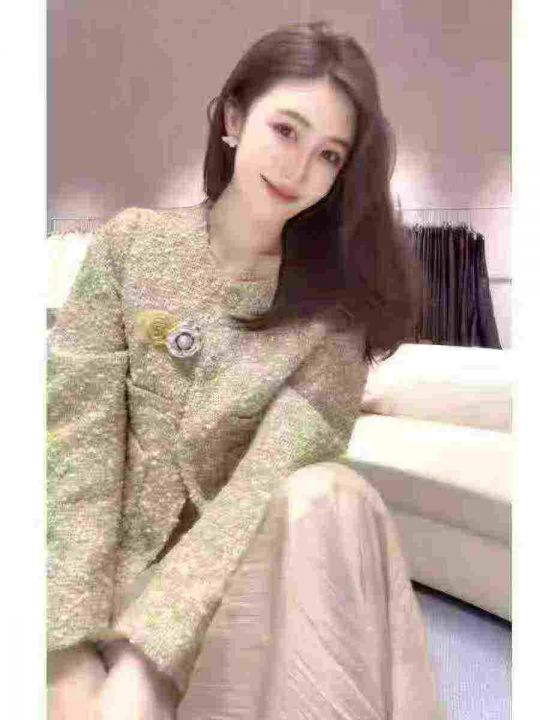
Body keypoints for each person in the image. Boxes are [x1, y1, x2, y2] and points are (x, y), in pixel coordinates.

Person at [47, 20, 443, 719]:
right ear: (234, 119)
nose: (298, 169)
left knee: (332, 494)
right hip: (88, 583)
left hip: (222, 605)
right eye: (286, 131)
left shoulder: (333, 319)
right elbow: (78, 447)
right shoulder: (129, 246)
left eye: (328, 155)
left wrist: (145, 660)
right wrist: (65, 648)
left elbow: (255, 497)